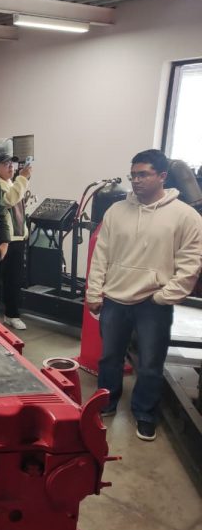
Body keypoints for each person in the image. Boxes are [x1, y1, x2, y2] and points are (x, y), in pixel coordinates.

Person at [86, 149, 202, 442]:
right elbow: (101, 255)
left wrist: (166, 296)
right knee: (109, 358)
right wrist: (94, 291)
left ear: (162, 176)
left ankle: (145, 413)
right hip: (114, 299)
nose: (136, 180)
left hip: (153, 303)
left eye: (143, 174)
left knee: (150, 363)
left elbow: (191, 262)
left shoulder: (185, 216)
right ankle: (106, 402)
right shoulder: (116, 211)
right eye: (133, 175)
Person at [0, 153, 32, 330]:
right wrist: (22, 178)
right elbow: (8, 200)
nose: (11, 167)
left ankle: (12, 314)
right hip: (4, 240)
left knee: (15, 279)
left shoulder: (11, 183)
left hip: (18, 238)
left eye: (12, 163)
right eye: (5, 164)